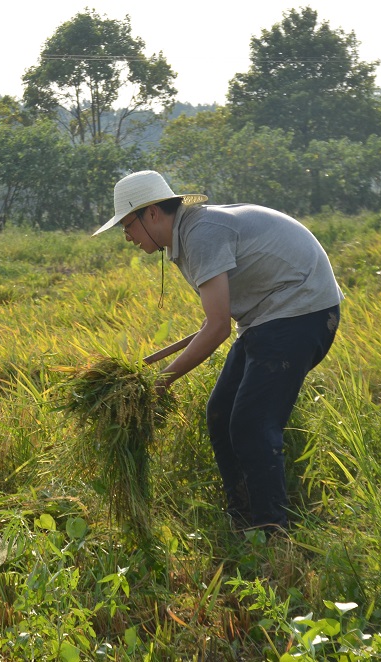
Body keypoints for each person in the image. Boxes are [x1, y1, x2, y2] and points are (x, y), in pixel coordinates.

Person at [94, 170, 343, 534]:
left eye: (127, 225)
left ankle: (270, 530)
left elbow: (218, 329)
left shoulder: (202, 234)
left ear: (151, 214)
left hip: (301, 312)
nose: (127, 236)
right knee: (221, 412)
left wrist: (159, 383)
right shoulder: (190, 232)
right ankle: (241, 516)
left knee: (252, 422)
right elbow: (217, 318)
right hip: (269, 317)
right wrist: (149, 365)